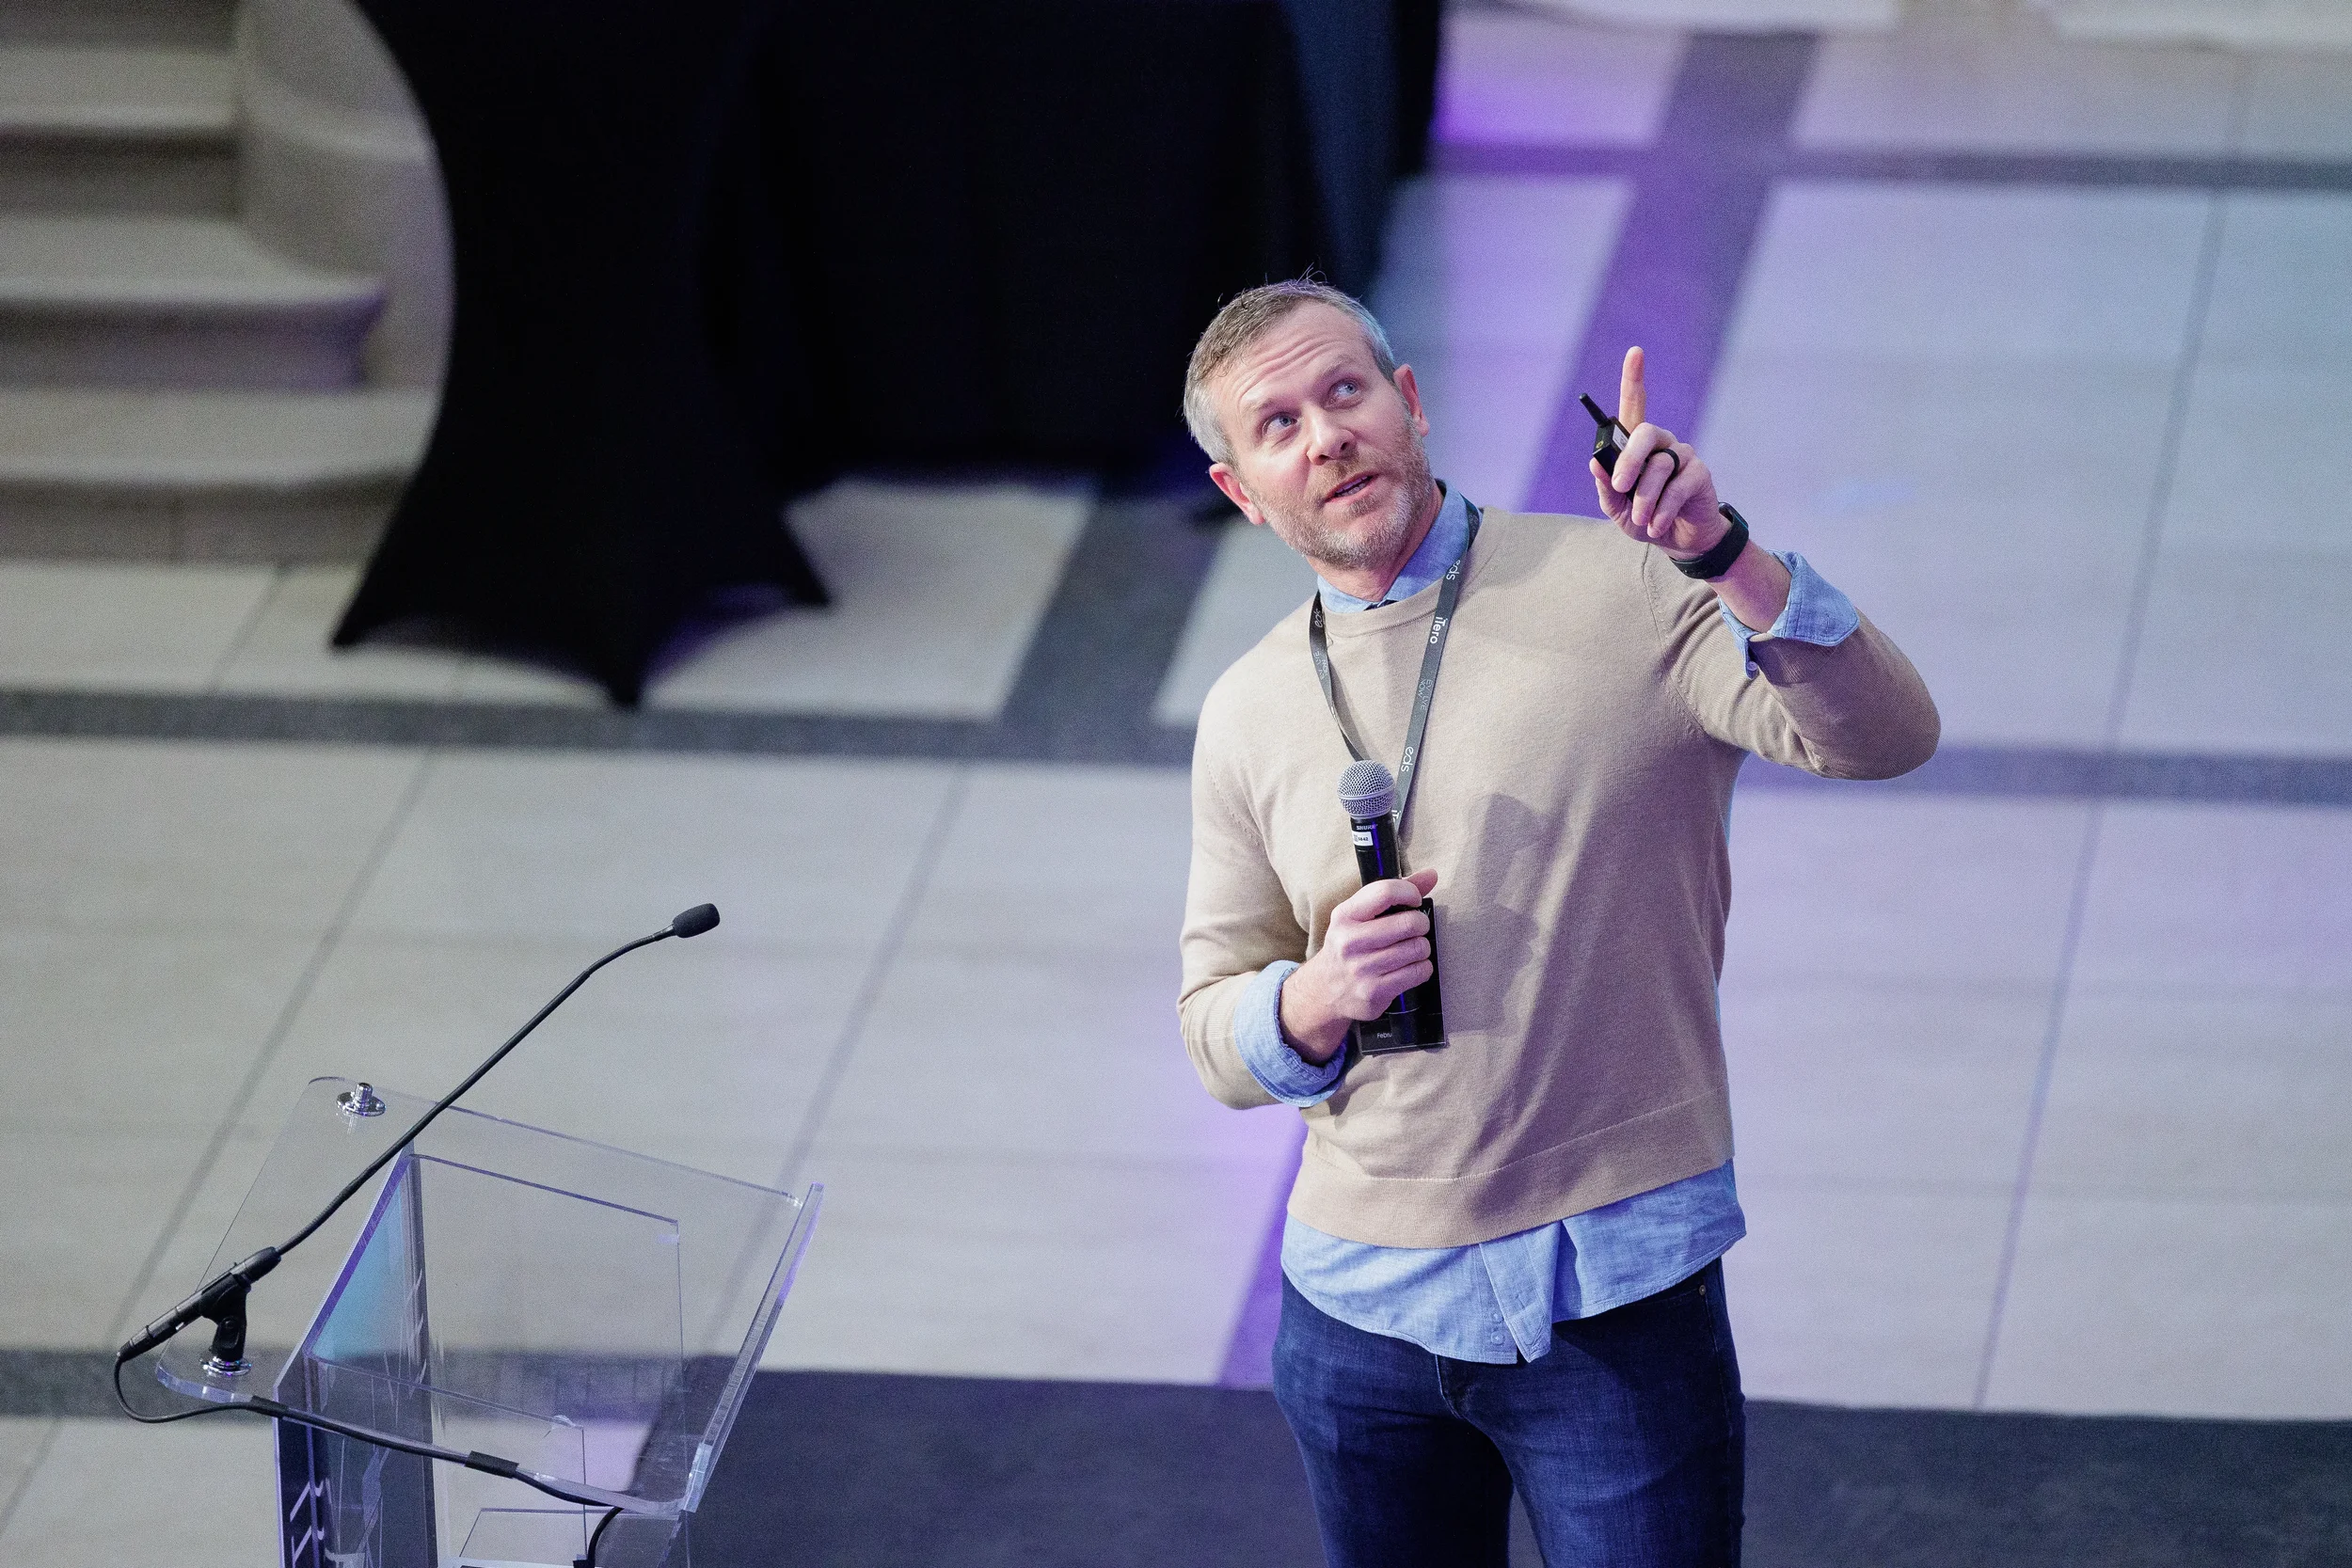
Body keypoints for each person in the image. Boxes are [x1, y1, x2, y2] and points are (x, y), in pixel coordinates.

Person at [1175, 279, 1939, 1568]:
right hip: (1355, 1315)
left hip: (1613, 1294)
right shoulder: (1248, 709)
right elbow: (1212, 1025)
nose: (1326, 436)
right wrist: (1311, 998)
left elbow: (1883, 737)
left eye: (1346, 391)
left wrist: (1725, 554)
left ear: (1409, 404)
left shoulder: (1629, 587)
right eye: (1280, 424)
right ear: (1244, 489)